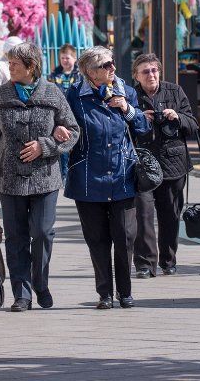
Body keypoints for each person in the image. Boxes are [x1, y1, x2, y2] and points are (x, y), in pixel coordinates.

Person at [0, 42, 80, 312]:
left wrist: (46, 145)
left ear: (31, 66)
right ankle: (22, 293)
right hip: (9, 179)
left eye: (14, 64)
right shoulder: (1, 95)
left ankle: (41, 283)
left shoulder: (52, 93)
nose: (9, 67)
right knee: (15, 237)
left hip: (45, 177)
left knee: (42, 233)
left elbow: (72, 131)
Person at [64, 46, 150, 310]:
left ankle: (125, 291)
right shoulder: (74, 96)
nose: (113, 68)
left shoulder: (127, 91)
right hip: (88, 178)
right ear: (90, 71)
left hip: (122, 176)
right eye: (106, 65)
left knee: (125, 238)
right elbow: (65, 126)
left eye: (113, 64)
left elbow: (143, 128)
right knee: (97, 239)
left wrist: (127, 108)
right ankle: (105, 293)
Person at [131, 53, 198, 278]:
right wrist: (139, 118)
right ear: (136, 76)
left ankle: (168, 260)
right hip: (143, 165)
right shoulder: (131, 96)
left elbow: (193, 124)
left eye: (154, 70)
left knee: (170, 215)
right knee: (142, 215)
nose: (151, 75)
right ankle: (144, 264)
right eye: (145, 71)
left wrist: (177, 116)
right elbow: (121, 127)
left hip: (173, 164)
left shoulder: (174, 91)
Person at [46, 43, 81, 182]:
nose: (65, 61)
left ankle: (75, 171)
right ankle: (64, 173)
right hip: (59, 113)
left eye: (67, 58)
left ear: (74, 58)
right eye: (62, 58)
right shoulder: (54, 75)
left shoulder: (80, 75)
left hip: (75, 112)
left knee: (76, 142)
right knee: (63, 142)